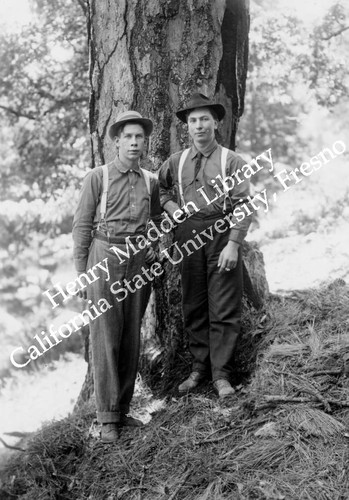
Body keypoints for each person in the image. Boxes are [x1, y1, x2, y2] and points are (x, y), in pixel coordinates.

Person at [72, 110, 161, 443]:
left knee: (131, 336)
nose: (135, 143)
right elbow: (81, 225)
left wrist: (151, 245)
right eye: (129, 137)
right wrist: (81, 272)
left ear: (145, 142)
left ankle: (122, 411)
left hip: (138, 260)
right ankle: (107, 417)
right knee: (106, 335)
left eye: (140, 137)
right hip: (105, 256)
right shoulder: (98, 177)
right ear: (117, 141)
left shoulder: (150, 180)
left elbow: (154, 219)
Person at [158, 93, 252, 399]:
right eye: (193, 120)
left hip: (222, 234)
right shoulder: (176, 161)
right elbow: (158, 190)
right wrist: (172, 208)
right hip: (188, 236)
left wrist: (234, 244)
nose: (199, 126)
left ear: (215, 123)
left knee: (224, 305)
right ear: (187, 126)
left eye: (204, 119)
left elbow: (244, 205)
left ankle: (222, 374)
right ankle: (199, 368)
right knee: (194, 303)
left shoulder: (231, 160)